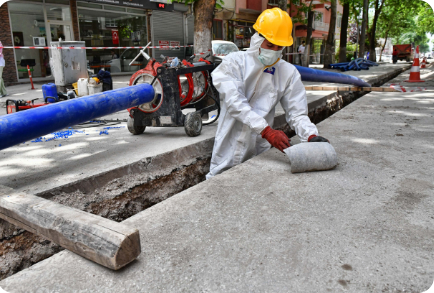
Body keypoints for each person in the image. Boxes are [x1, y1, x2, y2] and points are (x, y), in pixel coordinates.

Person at [206, 8, 328, 179]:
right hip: (229, 143)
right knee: (219, 183)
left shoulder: (288, 73)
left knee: (255, 184)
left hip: (259, 147)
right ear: (257, 39)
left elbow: (297, 113)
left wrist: (310, 135)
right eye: (270, 45)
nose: (274, 50)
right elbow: (235, 103)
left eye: (279, 47)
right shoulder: (234, 63)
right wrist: (267, 131)